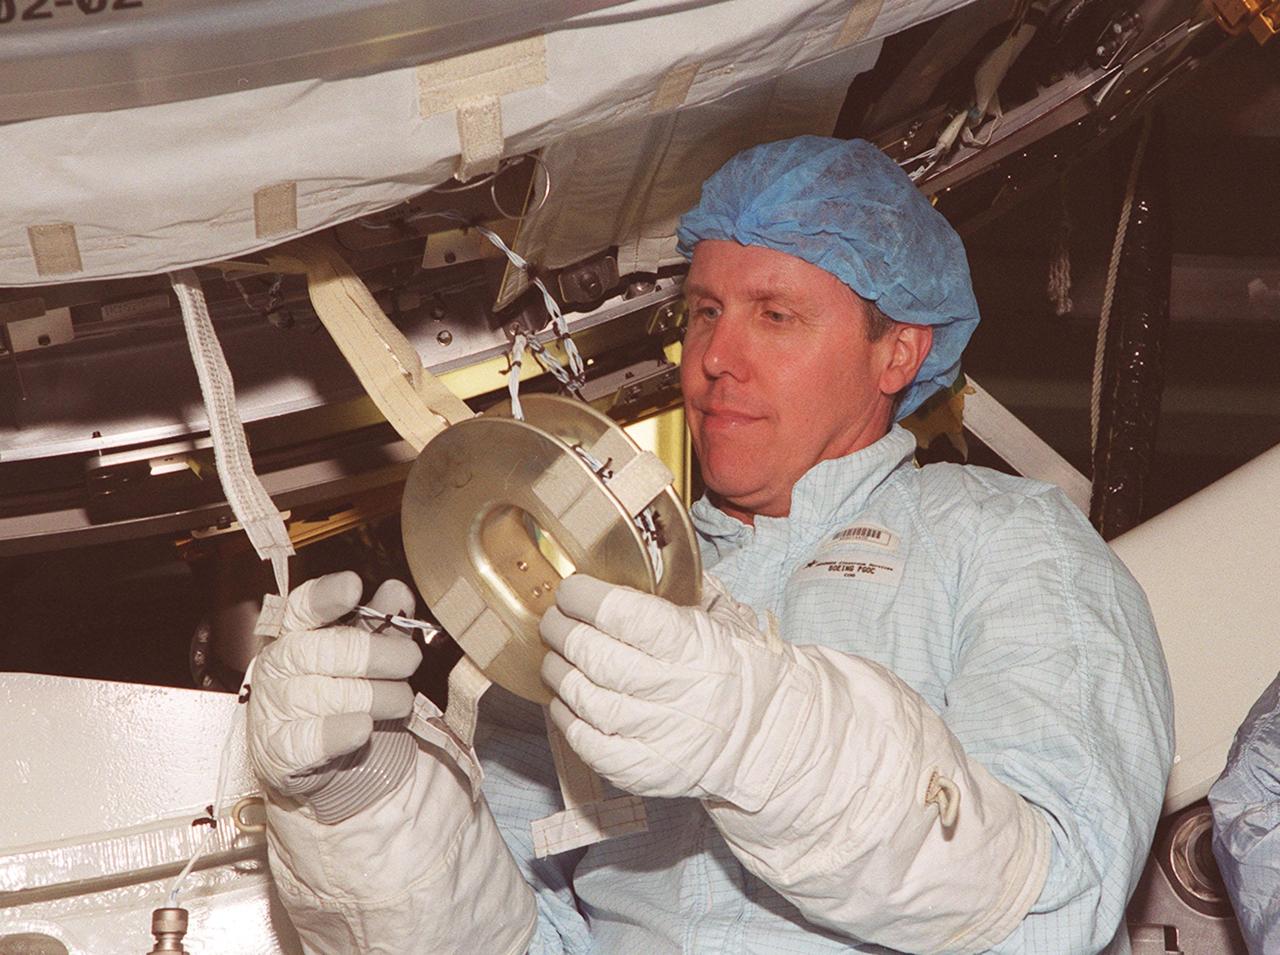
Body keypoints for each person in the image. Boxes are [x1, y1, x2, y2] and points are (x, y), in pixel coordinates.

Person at [245, 136, 1175, 954]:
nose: (714, 358)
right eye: (703, 312)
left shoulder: (1013, 544)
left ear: (898, 351)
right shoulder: (596, 593)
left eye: (775, 314)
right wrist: (367, 802)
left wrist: (766, 738)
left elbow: (1058, 900)